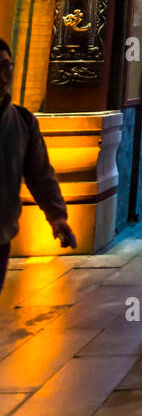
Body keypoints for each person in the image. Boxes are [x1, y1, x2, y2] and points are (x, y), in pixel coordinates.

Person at [0, 38, 76, 293]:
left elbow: (40, 174)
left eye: (6, 67)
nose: (2, 76)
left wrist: (57, 216)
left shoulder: (22, 122)